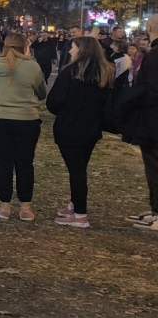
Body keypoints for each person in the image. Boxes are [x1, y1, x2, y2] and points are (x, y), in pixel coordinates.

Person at [46, 37, 114, 229]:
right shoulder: (105, 73)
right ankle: (75, 204)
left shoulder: (70, 72)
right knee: (79, 168)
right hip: (91, 129)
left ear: (81, 51)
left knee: (76, 171)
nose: (69, 51)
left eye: (73, 48)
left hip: (69, 128)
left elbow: (54, 102)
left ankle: (80, 215)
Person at [0, 31, 46, 220]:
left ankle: (4, 206)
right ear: (24, 46)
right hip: (26, 119)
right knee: (25, 163)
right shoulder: (32, 66)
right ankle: (25, 207)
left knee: (2, 162)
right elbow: (41, 92)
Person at [115, 34, 158, 232]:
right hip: (149, 121)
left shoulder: (153, 57)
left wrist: (128, 101)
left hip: (151, 122)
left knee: (154, 166)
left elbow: (148, 90)